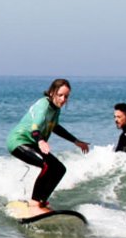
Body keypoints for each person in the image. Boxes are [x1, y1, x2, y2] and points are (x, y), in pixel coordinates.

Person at [7, 79, 90, 215]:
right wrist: (40, 141)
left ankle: (41, 201)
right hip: (19, 142)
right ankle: (34, 204)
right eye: (60, 95)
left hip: (33, 143)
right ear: (52, 93)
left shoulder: (55, 109)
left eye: (66, 96)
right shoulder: (43, 106)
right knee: (47, 166)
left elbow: (55, 127)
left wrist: (75, 141)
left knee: (59, 169)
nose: (63, 99)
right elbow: (35, 126)